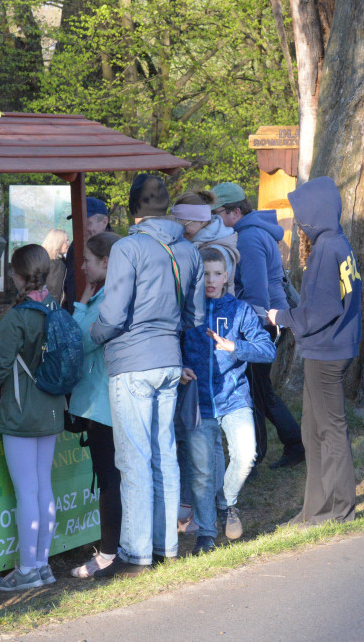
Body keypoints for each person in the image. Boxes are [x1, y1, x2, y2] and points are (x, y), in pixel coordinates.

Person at [90, 173, 204, 578]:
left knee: (134, 460)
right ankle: (165, 547)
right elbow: (196, 316)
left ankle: (136, 554)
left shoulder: (128, 247)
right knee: (164, 456)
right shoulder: (189, 250)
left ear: (134, 207)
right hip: (170, 360)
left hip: (132, 362)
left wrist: (93, 334)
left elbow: (114, 314)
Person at [267, 177, 362, 525]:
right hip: (330, 348)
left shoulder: (325, 250)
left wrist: (280, 316)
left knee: (330, 430)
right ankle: (315, 509)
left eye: (300, 215)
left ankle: (339, 510)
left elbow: (319, 312)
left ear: (312, 215)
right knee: (312, 429)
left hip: (327, 351)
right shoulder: (337, 241)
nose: (298, 222)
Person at [181, 247, 275, 553]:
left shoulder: (240, 310)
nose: (210, 280)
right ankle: (206, 534)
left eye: (216, 274)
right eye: (204, 274)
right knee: (203, 471)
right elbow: (170, 344)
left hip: (234, 399)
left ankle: (227, 501)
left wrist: (236, 347)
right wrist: (178, 367)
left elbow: (267, 349)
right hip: (199, 404)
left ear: (226, 276)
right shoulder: (185, 311)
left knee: (246, 455)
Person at [0, 244, 65, 591]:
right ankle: (42, 565)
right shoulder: (55, 308)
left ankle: (28, 569)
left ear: (17, 276)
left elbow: (0, 366)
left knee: (26, 492)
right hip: (50, 407)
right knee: (43, 487)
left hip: (20, 412)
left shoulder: (17, 317)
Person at [211, 181, 305, 470]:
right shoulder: (252, 232)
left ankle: (256, 457)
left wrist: (246, 331)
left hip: (258, 323)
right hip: (266, 320)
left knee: (254, 394)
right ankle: (294, 445)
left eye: (218, 214)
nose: (215, 221)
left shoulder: (249, 238)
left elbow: (255, 293)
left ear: (235, 212)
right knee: (261, 391)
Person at [171, 190, 240, 532]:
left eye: (181, 221)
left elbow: (210, 299)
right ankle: (201, 504)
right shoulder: (210, 241)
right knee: (200, 434)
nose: (179, 228)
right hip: (201, 348)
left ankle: (207, 508)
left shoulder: (211, 250)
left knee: (206, 435)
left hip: (210, 350)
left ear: (194, 220)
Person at [66, 232, 123, 578]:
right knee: (116, 477)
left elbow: (76, 342)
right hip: (108, 398)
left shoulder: (106, 300)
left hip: (103, 402)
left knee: (109, 480)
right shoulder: (111, 293)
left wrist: (81, 304)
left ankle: (107, 554)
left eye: (87, 259)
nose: (82, 265)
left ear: (105, 262)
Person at [173, 190, 240, 293]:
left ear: (202, 221)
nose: (179, 230)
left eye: (184, 225)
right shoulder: (192, 242)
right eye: (175, 224)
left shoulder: (216, 251)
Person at [63, 196, 111, 309]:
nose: (82, 228)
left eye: (87, 223)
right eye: (78, 222)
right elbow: (68, 283)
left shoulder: (117, 249)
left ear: (104, 222)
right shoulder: (75, 246)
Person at [41, 228, 69, 304]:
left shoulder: (44, 260)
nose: (68, 244)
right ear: (58, 243)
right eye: (65, 241)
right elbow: (54, 291)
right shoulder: (57, 264)